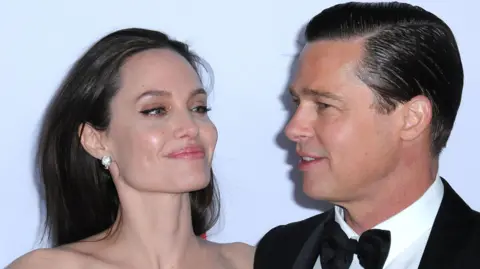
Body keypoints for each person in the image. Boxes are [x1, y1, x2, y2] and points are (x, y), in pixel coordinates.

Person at [254, 2, 480, 269]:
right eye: (296, 103)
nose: (292, 129)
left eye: (324, 105)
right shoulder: (278, 250)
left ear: (412, 119)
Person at [8, 27, 254, 269]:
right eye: (155, 110)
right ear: (95, 140)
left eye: (198, 108)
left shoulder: (252, 261)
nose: (190, 127)